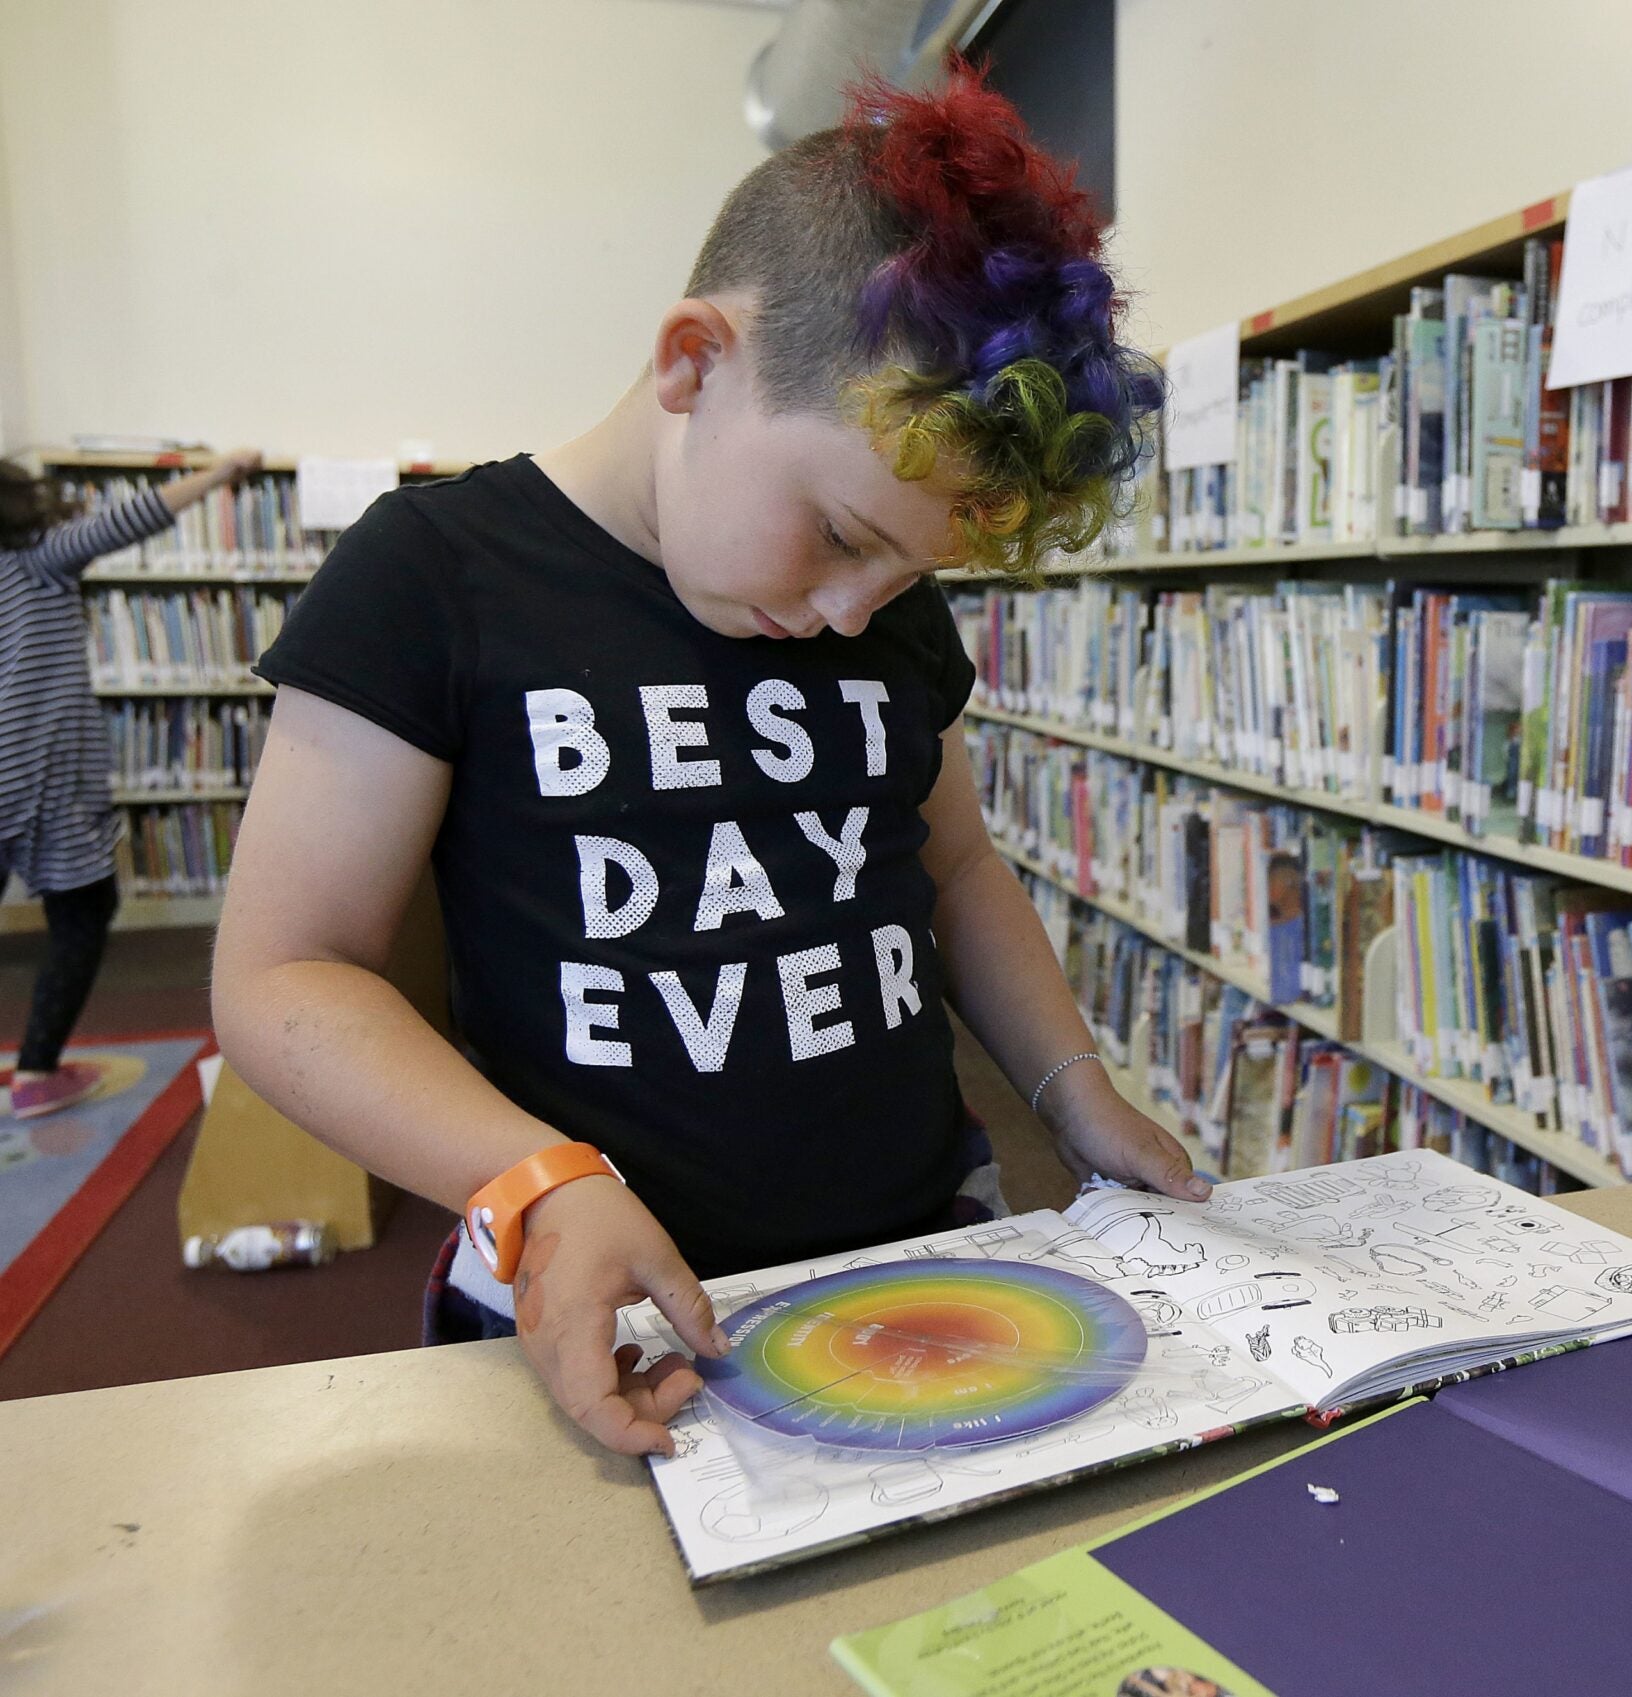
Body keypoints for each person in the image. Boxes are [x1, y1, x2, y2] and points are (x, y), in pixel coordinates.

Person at [209, 66, 1203, 1459]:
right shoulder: (432, 576)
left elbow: (957, 863)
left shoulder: (882, 607)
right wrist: (540, 1182)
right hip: (604, 1292)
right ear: (693, 363)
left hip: (923, 1257)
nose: (863, 610)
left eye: (916, 568)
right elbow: (282, 974)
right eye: (847, 535)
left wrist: (1071, 1085)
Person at [3, 448, 262, 1116]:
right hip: (38, 778)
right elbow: (132, 517)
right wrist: (221, 474)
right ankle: (35, 1071)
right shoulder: (35, 560)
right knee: (83, 912)